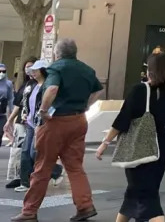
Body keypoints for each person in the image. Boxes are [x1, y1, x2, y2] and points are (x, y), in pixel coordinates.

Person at [13, 39, 102, 222]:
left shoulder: (56, 68)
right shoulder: (87, 69)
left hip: (56, 121)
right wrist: (86, 105)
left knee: (42, 166)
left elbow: (52, 88)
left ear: (57, 53)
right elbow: (97, 90)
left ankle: (29, 211)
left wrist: (43, 110)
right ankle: (85, 205)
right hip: (78, 120)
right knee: (75, 166)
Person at [96, 53, 165, 222]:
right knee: (139, 191)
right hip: (159, 148)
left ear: (150, 70)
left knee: (144, 196)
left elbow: (123, 119)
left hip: (138, 146)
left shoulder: (139, 90)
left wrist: (105, 142)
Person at [13, 61, 63, 193]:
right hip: (30, 122)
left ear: (43, 70)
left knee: (34, 152)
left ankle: (55, 171)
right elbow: (27, 103)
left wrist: (46, 118)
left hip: (41, 124)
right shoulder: (32, 85)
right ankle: (25, 182)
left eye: (35, 70)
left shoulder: (48, 86)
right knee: (25, 152)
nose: (32, 72)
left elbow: (52, 105)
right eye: (32, 70)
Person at [4, 58, 37, 190]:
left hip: (30, 122)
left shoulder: (38, 85)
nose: (28, 69)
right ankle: (19, 177)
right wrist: (10, 120)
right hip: (21, 121)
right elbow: (18, 104)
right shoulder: (26, 84)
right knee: (18, 151)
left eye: (31, 66)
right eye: (26, 67)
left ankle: (53, 171)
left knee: (28, 152)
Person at [0, 64, 16, 133]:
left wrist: (12, 112)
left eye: (4, 71)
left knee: (1, 131)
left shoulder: (8, 83)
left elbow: (10, 98)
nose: (1, 73)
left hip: (2, 112)